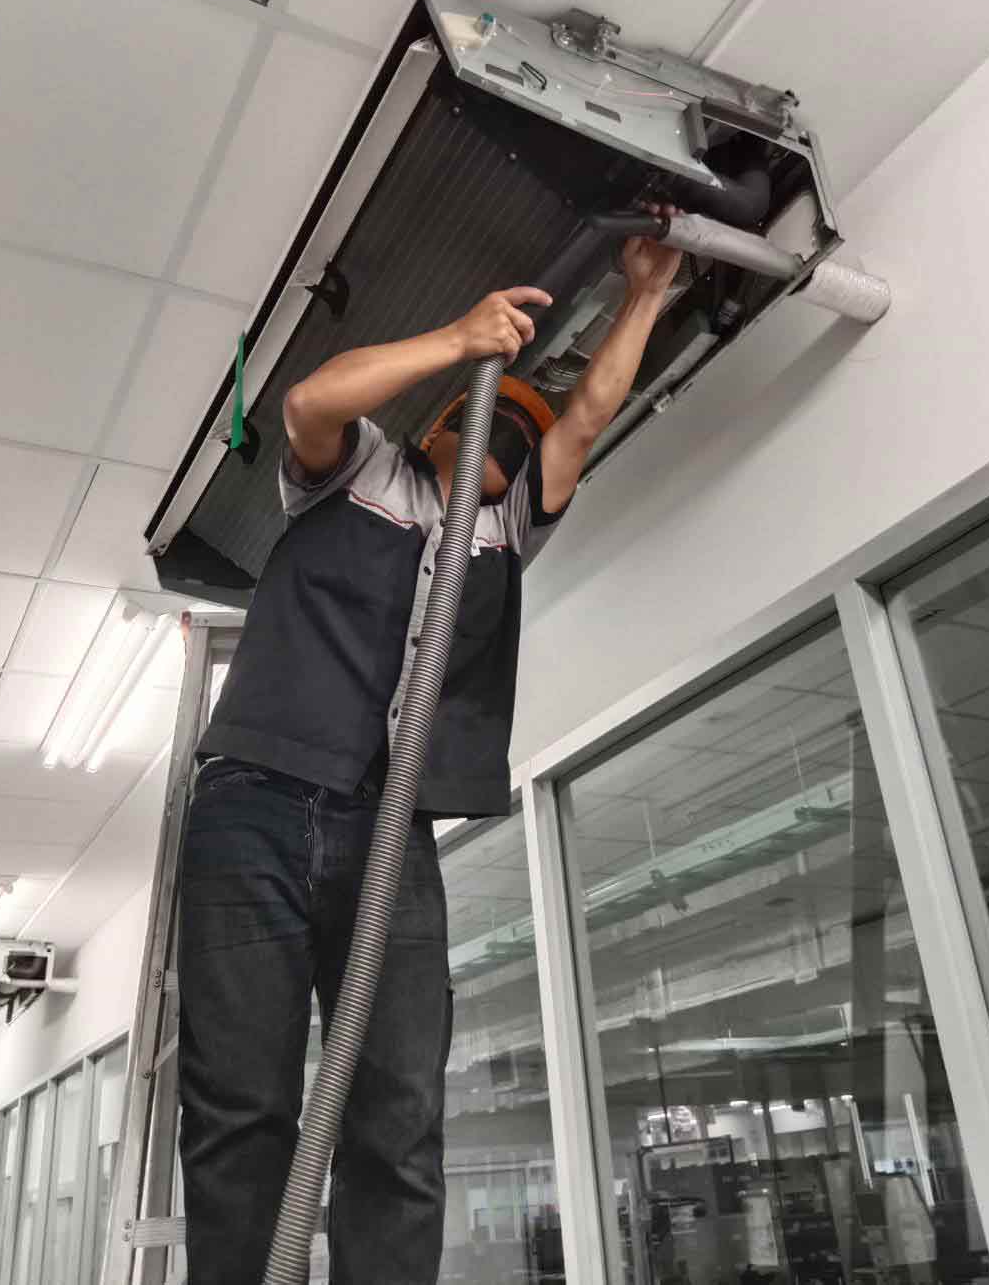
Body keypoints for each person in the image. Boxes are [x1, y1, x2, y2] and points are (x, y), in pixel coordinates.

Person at [177, 206, 684, 1285]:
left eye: (520, 434)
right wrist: (460, 339)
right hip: (255, 800)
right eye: (490, 419)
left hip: (387, 827)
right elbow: (310, 400)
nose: (508, 437)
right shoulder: (356, 473)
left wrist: (645, 294)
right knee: (242, 1105)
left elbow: (587, 417)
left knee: (399, 1111)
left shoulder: (504, 533)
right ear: (442, 423)